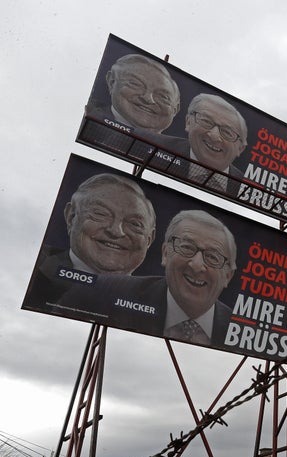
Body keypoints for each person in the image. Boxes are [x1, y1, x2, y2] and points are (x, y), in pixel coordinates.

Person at [59, 210, 237, 347]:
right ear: (166, 253)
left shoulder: (241, 330)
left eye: (213, 257)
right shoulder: (103, 292)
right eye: (187, 247)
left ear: (228, 276)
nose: (197, 265)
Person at [24, 173, 156, 305]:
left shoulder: (160, 299)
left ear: (149, 240)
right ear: (71, 217)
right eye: (101, 214)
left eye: (135, 224)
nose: (116, 231)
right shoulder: (33, 269)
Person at [147, 94, 248, 197]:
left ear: (240, 148)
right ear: (188, 122)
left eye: (227, 132)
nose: (214, 136)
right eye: (206, 121)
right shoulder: (150, 144)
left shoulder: (247, 188)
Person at [92, 54, 181, 134]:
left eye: (163, 96)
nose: (148, 99)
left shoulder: (182, 148)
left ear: (175, 110)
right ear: (112, 82)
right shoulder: (92, 117)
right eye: (136, 84)